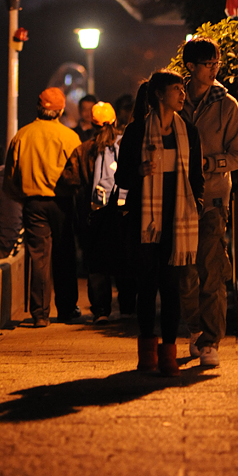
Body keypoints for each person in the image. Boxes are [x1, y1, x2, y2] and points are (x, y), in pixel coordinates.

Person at [115, 70, 204, 376]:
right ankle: (147, 354)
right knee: (146, 287)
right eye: (177, 89)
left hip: (177, 221)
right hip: (144, 222)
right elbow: (120, 178)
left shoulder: (189, 132)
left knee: (171, 288)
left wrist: (199, 206)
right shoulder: (137, 131)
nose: (183, 94)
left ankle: (168, 354)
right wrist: (139, 170)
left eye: (183, 89)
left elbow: (196, 179)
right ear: (159, 95)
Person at [179, 38, 238, 368]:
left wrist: (208, 163)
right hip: (180, 200)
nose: (215, 68)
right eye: (209, 63)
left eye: (217, 62)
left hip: (214, 198)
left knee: (211, 270)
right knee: (183, 272)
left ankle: (211, 340)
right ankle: (194, 329)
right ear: (191, 67)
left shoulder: (227, 104)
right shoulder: (176, 102)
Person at [4, 87, 81, 328]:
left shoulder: (22, 136)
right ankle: (67, 309)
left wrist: (22, 197)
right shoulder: (70, 137)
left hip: (33, 203)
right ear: (60, 110)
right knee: (64, 255)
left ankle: (39, 313)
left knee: (38, 257)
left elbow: (10, 178)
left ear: (39, 107)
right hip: (62, 202)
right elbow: (79, 174)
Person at [59, 101, 136, 322]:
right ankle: (128, 307)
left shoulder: (83, 150)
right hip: (123, 214)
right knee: (125, 260)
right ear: (114, 121)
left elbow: (69, 179)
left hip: (93, 217)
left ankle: (101, 310)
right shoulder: (127, 147)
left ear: (92, 124)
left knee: (97, 263)